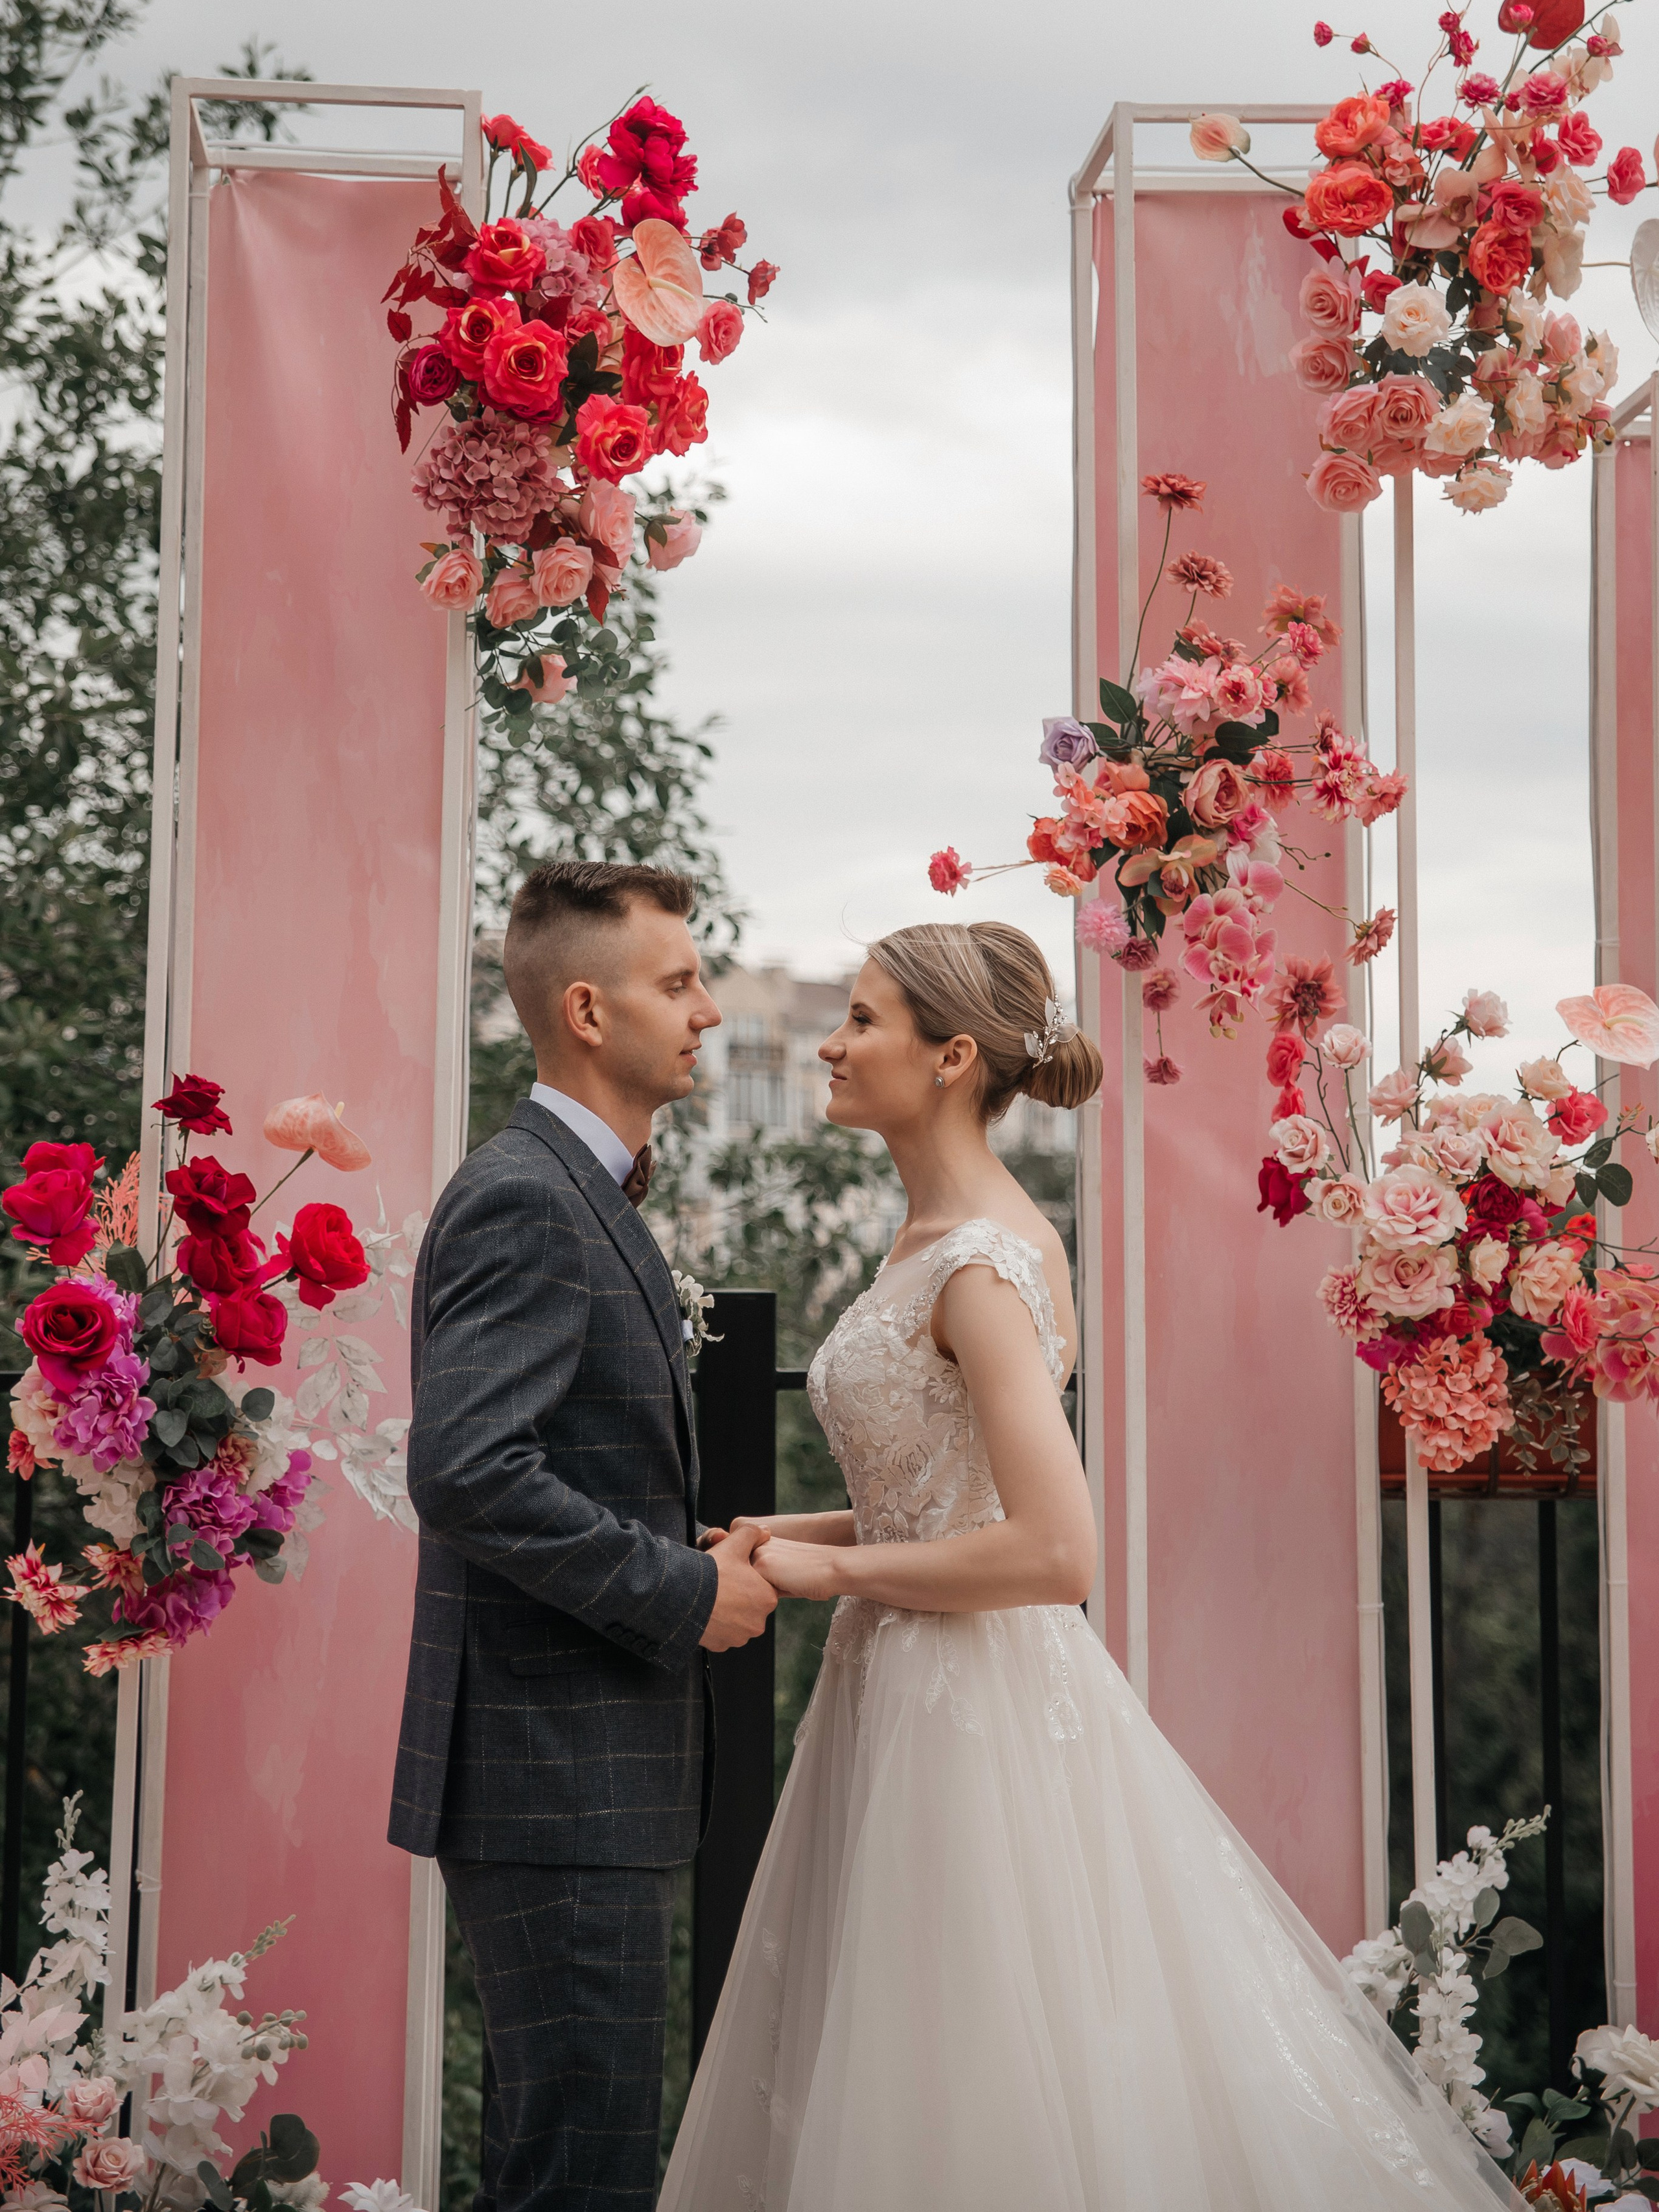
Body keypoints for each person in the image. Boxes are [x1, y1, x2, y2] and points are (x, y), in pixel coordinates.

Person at [659, 920, 1516, 2211]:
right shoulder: (923, 1238)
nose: (830, 1044)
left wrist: (826, 1578)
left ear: (951, 1057)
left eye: (860, 1018)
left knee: (969, 2072)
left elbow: (1056, 1551)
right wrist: (783, 1539)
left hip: (969, 1714)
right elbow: (933, 1503)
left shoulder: (981, 1264)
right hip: (893, 1685)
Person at [388, 859, 776, 2212]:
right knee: (580, 2177)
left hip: (566, 1777)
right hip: (555, 1780)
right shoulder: (530, 1195)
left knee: (561, 2164)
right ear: (587, 1012)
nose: (709, 1010)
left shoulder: (574, 1186)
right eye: (676, 982)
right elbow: (467, 1468)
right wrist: (681, 1592)